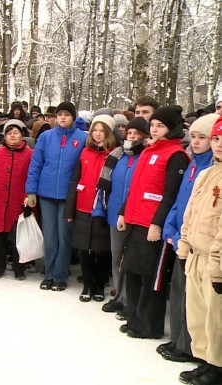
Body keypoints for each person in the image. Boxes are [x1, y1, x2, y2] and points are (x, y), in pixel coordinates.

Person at [117, 105, 189, 339]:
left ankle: (149, 325)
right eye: (153, 125)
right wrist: (123, 212)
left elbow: (170, 194)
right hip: (136, 220)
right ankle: (134, 319)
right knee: (133, 271)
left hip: (152, 226)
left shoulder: (176, 155)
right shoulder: (148, 150)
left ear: (172, 128)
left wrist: (157, 223)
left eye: (161, 126)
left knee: (151, 276)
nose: (155, 129)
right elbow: (135, 187)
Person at [158, 113, 216, 363]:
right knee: (181, 294)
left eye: (203, 137)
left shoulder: (209, 167)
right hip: (182, 240)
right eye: (193, 136)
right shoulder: (194, 164)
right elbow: (181, 201)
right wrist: (171, 229)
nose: (196, 142)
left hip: (200, 243)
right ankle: (179, 340)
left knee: (196, 301)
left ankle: (189, 347)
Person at [176, 115, 222, 385]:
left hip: (214, 262)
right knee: (199, 316)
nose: (218, 145)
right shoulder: (206, 174)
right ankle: (205, 360)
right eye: (216, 139)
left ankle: (217, 366)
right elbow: (190, 214)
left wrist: (217, 267)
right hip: (195, 254)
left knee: (216, 319)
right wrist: (184, 248)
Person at [25, 101, 88, 291]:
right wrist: (31, 191)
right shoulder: (46, 137)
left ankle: (60, 275)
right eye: (59, 114)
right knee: (50, 236)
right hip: (46, 193)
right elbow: (36, 164)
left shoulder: (81, 138)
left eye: (66, 115)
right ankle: (49, 273)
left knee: (64, 236)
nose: (62, 117)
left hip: (68, 195)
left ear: (73, 117)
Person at [98, 117, 150, 317]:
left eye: (137, 133)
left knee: (131, 261)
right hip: (114, 214)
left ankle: (131, 300)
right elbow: (105, 185)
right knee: (116, 258)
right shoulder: (116, 155)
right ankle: (119, 297)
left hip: (135, 216)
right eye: (130, 133)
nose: (133, 137)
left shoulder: (144, 156)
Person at [64, 115, 118, 301]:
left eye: (101, 131)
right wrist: (69, 209)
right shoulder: (85, 152)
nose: (97, 134)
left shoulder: (114, 154)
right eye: (94, 130)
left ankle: (99, 285)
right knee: (84, 249)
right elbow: (75, 181)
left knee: (101, 250)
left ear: (108, 133)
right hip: (83, 206)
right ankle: (87, 285)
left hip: (102, 208)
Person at [0, 120, 33, 279]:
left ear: (21, 135)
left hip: (18, 202)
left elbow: (31, 178)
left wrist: (27, 200)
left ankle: (19, 269)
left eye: (15, 132)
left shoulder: (29, 154)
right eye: (9, 133)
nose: (12, 135)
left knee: (18, 238)